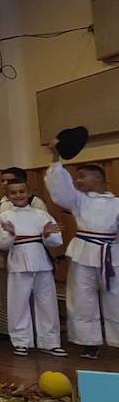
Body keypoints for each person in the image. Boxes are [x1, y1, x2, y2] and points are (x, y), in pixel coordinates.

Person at [45, 149, 119, 359]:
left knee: (116, 297)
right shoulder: (79, 201)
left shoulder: (117, 204)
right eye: (77, 177)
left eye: (82, 176)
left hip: (111, 254)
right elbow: (60, 190)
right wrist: (55, 157)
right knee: (81, 298)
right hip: (83, 253)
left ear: (98, 179)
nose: (77, 181)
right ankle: (89, 342)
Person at [0, 180, 67, 357]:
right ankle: (21, 341)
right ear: (8, 196)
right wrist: (11, 234)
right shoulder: (4, 217)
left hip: (41, 260)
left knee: (47, 303)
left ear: (28, 192)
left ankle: (50, 342)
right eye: (13, 193)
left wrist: (47, 235)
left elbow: (57, 240)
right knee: (18, 304)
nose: (18, 195)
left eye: (21, 191)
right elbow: (1, 245)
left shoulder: (42, 215)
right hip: (18, 260)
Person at [0, 167, 47, 335]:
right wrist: (0, 236)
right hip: (2, 256)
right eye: (3, 180)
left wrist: (19, 233)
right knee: (3, 293)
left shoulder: (35, 202)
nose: (5, 183)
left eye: (9, 180)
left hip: (29, 255)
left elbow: (42, 226)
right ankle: (4, 329)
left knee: (31, 293)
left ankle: (32, 328)